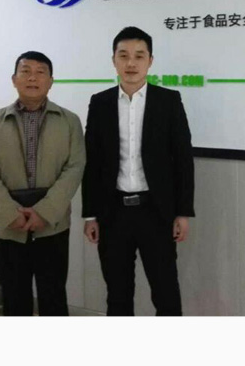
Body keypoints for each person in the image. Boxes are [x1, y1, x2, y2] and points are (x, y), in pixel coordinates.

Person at [82, 26, 195, 316]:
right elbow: (92, 161)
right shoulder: (100, 102)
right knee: (117, 294)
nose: (131, 63)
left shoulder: (168, 101)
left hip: (156, 212)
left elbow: (183, 159)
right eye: (123, 56)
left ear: (150, 61)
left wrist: (182, 212)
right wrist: (90, 214)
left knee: (166, 293)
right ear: (114, 60)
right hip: (113, 213)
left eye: (139, 56)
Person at [0, 51, 85, 316]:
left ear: (51, 81)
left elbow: (75, 167)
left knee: (53, 296)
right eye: (25, 71)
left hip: (53, 225)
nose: (32, 78)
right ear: (14, 79)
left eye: (40, 72)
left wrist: (45, 212)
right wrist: (9, 213)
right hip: (11, 226)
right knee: (14, 297)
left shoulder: (70, 121)